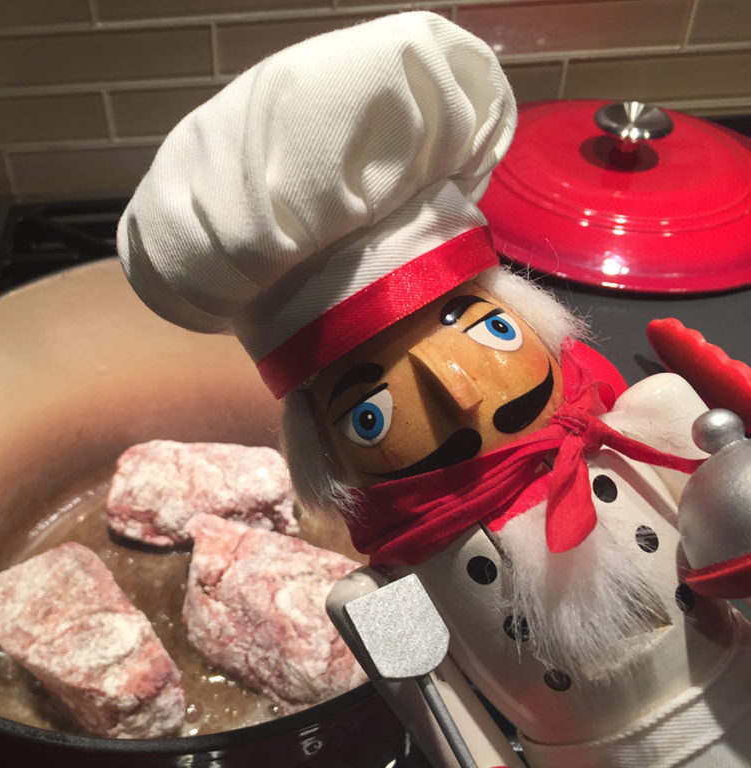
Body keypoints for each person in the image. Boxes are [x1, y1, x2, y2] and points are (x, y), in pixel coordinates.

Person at [117, 11, 751, 767]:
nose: (459, 393)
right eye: (371, 410)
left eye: (490, 330)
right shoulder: (379, 602)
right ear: (324, 449)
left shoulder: (659, 416)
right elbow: (445, 720)